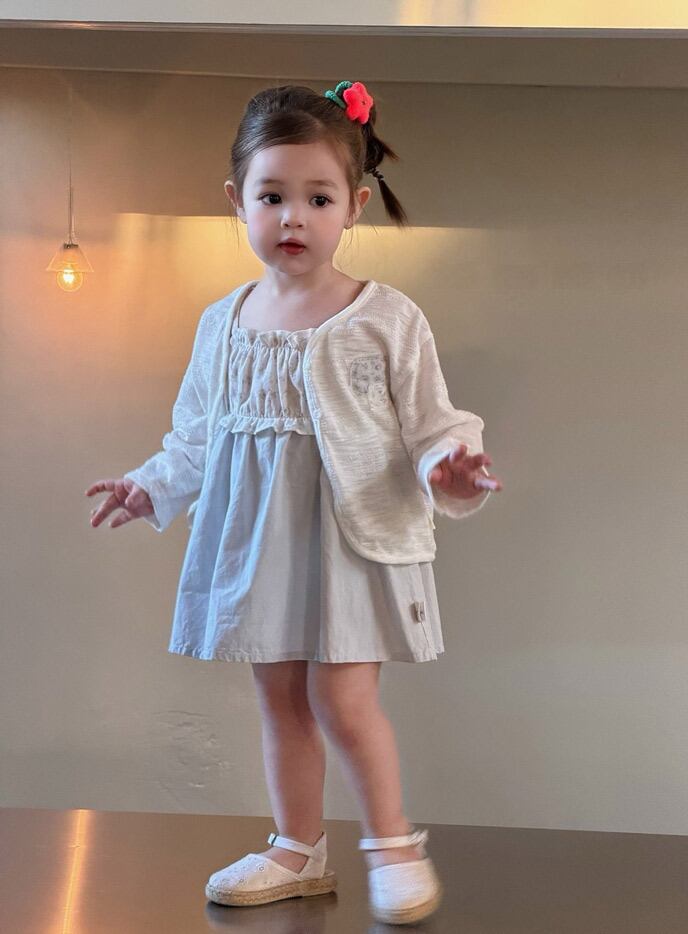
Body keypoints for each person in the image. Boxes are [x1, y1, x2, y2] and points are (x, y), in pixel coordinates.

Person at [85, 80, 503, 926]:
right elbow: (197, 435)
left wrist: (448, 467)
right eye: (272, 196)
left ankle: (392, 845)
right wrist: (149, 484)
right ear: (236, 201)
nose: (293, 218)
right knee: (278, 699)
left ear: (354, 206)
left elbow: (431, 423)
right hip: (258, 539)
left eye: (318, 199)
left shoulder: (387, 317)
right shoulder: (222, 322)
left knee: (341, 699)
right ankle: (297, 848)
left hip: (347, 538)